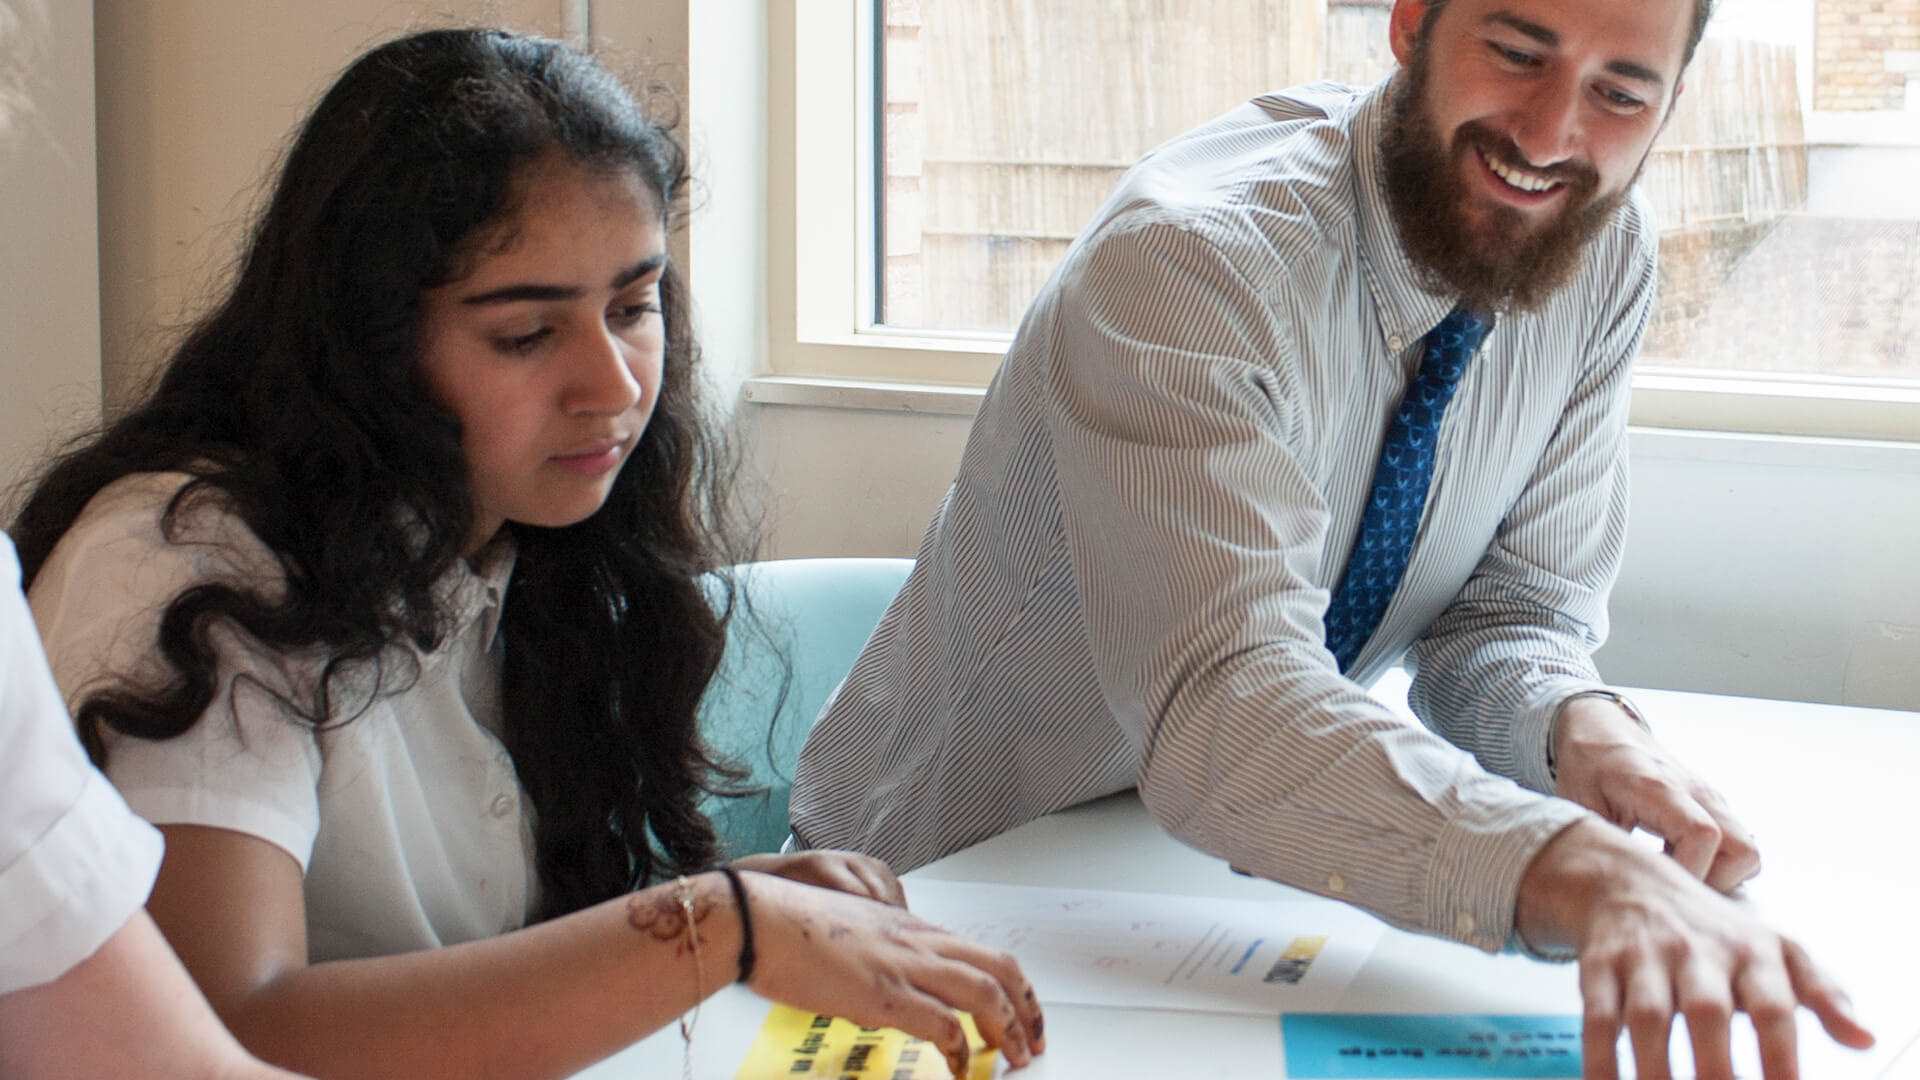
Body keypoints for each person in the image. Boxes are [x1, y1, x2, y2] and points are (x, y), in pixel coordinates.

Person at [791, 1, 1873, 1076]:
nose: (1550, 136)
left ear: (1670, 105)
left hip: (1223, 882)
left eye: (1620, 93)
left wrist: (1578, 729)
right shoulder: (1190, 262)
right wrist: (1577, 871)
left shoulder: (1598, 259)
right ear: (1410, 26)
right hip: (929, 901)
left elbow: (1506, 615)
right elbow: (1227, 702)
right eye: (1515, 54)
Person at [12, 28, 1042, 1080]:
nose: (615, 384)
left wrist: (750, 912)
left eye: (633, 308)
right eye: (524, 336)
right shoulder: (183, 562)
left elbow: (475, 972)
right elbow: (223, 1027)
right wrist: (711, 926)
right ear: (369, 345)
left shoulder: (521, 544)